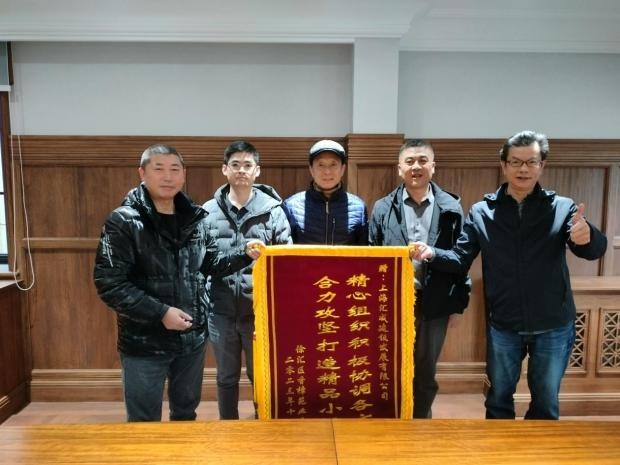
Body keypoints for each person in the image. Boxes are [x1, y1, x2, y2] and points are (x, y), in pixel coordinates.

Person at [412, 130, 607, 420]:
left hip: (553, 323)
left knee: (546, 403)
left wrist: (588, 236)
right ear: (504, 165)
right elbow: (460, 258)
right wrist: (433, 253)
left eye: (531, 162)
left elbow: (593, 250)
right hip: (504, 324)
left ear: (542, 165)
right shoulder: (482, 212)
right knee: (498, 401)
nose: (523, 169)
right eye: (516, 162)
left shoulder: (562, 208)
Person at [93, 143, 263, 422]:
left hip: (191, 340)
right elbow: (109, 283)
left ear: (184, 175)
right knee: (143, 421)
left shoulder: (194, 218)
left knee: (185, 416)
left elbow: (210, 264)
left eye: (174, 169)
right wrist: (161, 313)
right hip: (144, 343)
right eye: (158, 169)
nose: (167, 176)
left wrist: (243, 254)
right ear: (142, 173)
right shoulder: (124, 221)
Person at [369, 139, 471, 418]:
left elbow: (462, 259)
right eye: (410, 161)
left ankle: (420, 425)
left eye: (423, 161)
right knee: (389, 368)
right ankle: (390, 424)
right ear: (399, 168)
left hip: (435, 302)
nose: (416, 167)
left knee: (425, 372)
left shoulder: (451, 208)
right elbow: (372, 255)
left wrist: (457, 305)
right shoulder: (382, 208)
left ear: (433, 167)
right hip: (392, 304)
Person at [203, 140, 292, 420]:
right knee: (226, 377)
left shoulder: (273, 211)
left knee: (261, 376)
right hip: (220, 310)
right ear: (224, 169)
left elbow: (286, 260)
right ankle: (228, 428)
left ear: (257, 171)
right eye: (235, 165)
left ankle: (262, 429)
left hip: (259, 313)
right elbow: (203, 262)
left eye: (247, 165)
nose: (241, 170)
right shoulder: (207, 211)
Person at [283, 139, 368, 245]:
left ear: (343, 169)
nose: (327, 171)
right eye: (321, 165)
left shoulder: (359, 207)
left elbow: (364, 252)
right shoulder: (291, 206)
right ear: (311, 169)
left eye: (333, 164)